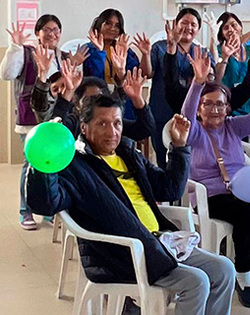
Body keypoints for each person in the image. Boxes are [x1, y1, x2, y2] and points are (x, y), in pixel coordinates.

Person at [26, 95, 236, 315]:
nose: (112, 131)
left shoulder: (128, 154)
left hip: (159, 242)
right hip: (120, 254)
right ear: (84, 128)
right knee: (197, 282)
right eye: (102, 124)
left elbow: (170, 189)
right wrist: (44, 162)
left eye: (117, 123)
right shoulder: (76, 166)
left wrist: (179, 147)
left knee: (224, 269)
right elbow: (46, 204)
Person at [181, 48, 250, 308]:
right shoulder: (193, 132)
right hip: (211, 195)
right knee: (248, 216)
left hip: (242, 191)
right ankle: (243, 275)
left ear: (228, 108)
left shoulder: (233, 126)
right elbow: (185, 114)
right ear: (199, 109)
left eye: (220, 104)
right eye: (208, 104)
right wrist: (197, 83)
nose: (215, 109)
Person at [1, 15, 84, 230]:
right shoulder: (26, 53)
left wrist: (75, 66)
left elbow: (72, 87)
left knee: (55, 164)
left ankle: (49, 209)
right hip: (31, 120)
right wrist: (15, 47)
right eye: (46, 29)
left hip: (57, 120)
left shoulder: (65, 56)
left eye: (56, 29)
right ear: (37, 32)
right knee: (32, 163)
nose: (52, 33)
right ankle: (25, 210)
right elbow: (6, 74)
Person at [150, 8, 214, 167]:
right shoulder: (159, 48)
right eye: (184, 22)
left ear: (198, 30)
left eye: (193, 24)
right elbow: (148, 72)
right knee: (163, 159)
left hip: (191, 116)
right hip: (161, 110)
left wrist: (209, 74)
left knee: (189, 161)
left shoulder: (201, 52)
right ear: (175, 25)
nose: (189, 27)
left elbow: (212, 78)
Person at [84, 8, 149, 120]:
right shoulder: (88, 50)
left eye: (117, 26)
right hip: (97, 103)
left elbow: (137, 76)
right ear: (99, 25)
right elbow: (93, 78)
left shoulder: (125, 50)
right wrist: (99, 52)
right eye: (108, 24)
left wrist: (145, 55)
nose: (112, 28)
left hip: (124, 104)